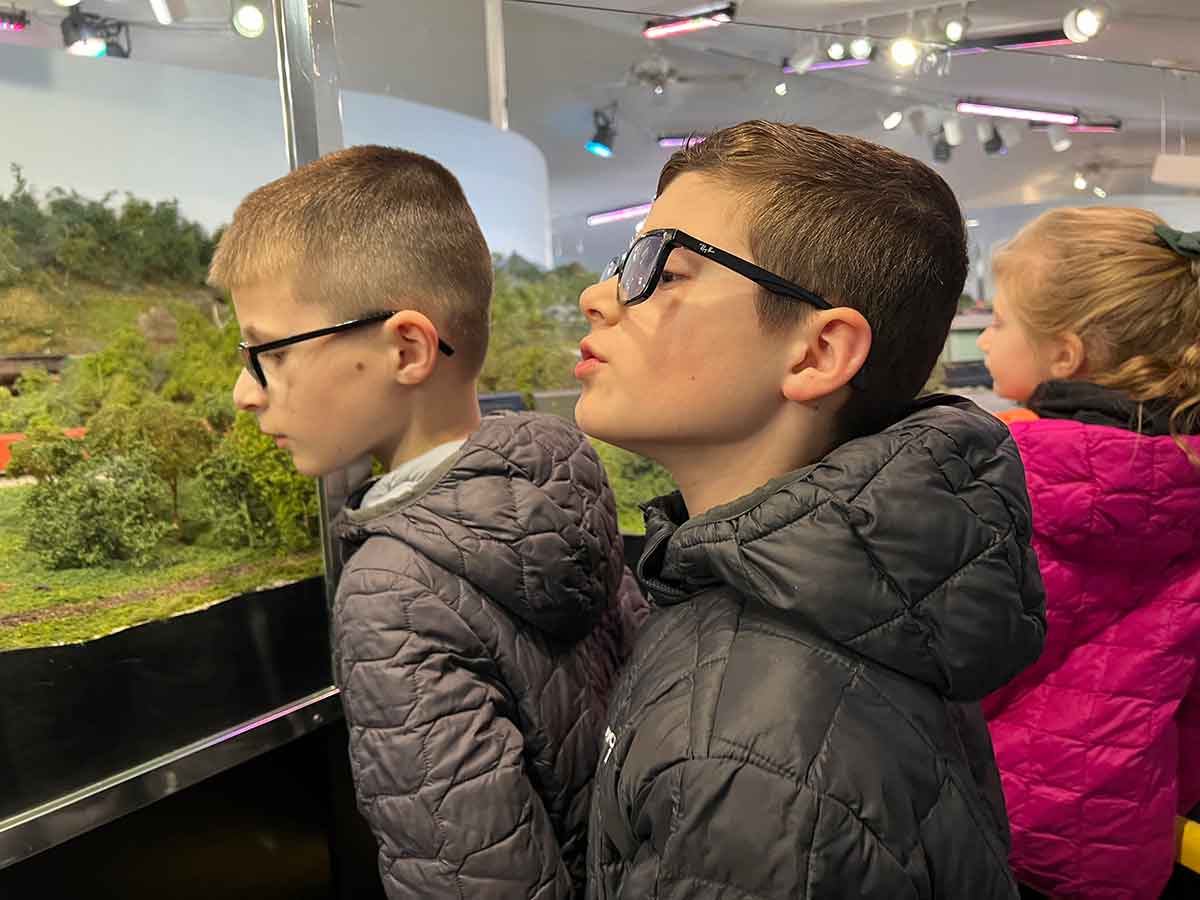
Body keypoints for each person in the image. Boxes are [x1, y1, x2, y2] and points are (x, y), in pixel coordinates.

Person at [575, 120, 1047, 899]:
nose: (599, 298)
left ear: (818, 352)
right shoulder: (854, 598)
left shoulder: (748, 755)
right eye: (624, 263)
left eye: (665, 269)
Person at [208, 145, 645, 900]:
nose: (245, 393)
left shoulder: (393, 592)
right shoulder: (560, 490)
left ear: (407, 347)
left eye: (264, 354)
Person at [977, 206, 1200, 900]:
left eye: (1000, 321)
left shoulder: (1008, 476)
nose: (983, 337)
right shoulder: (1182, 481)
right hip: (1135, 839)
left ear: (1066, 354)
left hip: (990, 830)